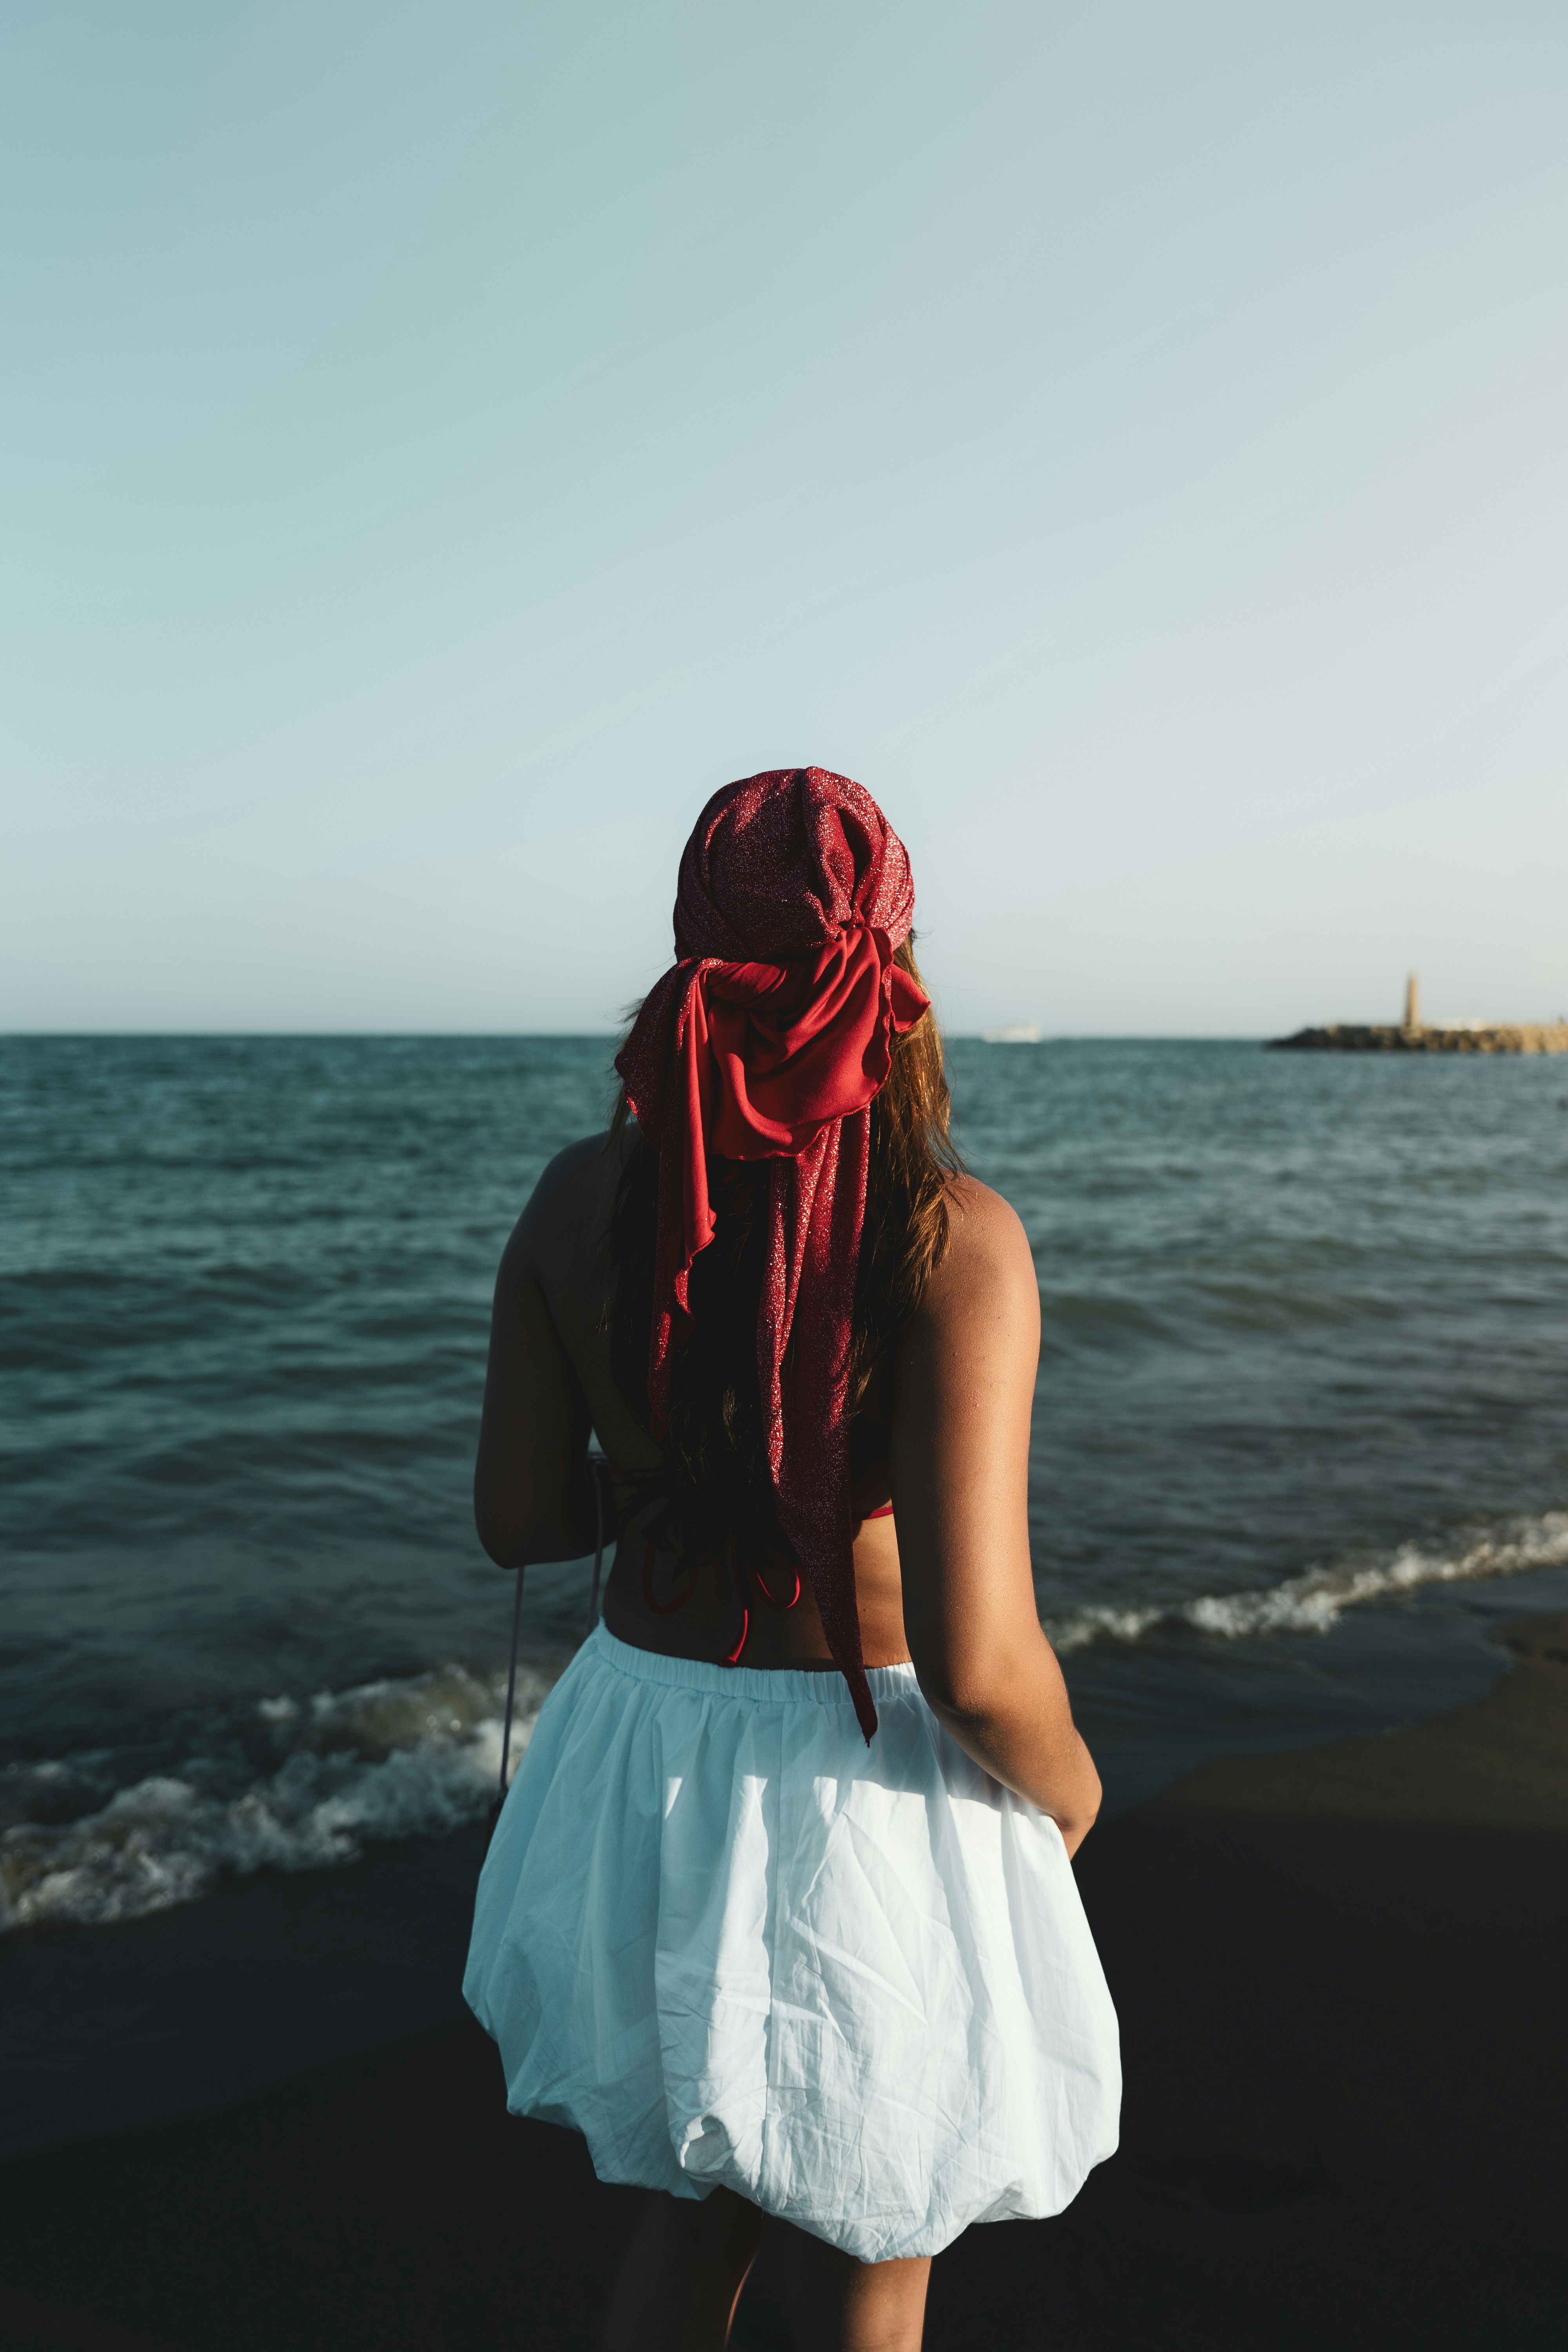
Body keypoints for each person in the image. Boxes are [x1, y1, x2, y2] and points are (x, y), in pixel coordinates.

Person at [465, 768, 1118, 2352]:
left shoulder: (574, 1198)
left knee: (695, 2224)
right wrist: (1073, 1788)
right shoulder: (952, 1237)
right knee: (879, 2242)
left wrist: (696, 1473)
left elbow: (525, 1525)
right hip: (865, 1784)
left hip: (646, 1749)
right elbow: (976, 1662)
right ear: (890, 969)